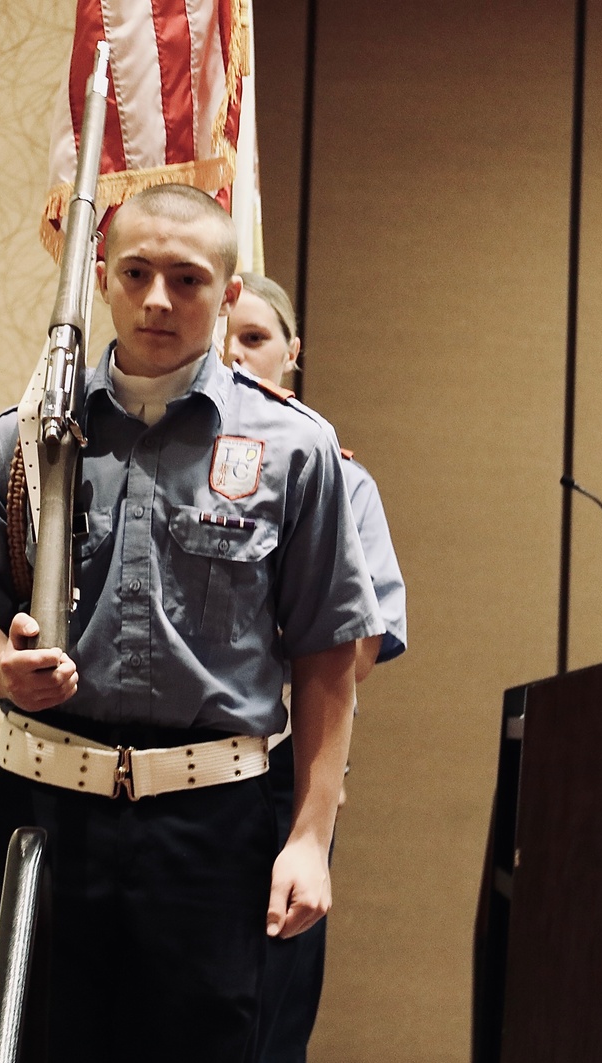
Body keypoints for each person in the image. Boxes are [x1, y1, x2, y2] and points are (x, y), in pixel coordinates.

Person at [0, 185, 384, 1063]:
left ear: (228, 291)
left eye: (187, 278)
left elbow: (329, 657)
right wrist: (2, 670)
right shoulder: (26, 438)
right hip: (44, 820)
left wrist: (310, 839)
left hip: (213, 838)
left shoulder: (296, 450)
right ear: (101, 277)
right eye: (136, 272)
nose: (157, 300)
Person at [226, 273, 407, 1063]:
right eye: (224, 335)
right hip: (169, 781)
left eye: (257, 337)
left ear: (292, 354)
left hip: (277, 781)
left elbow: (357, 650)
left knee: (268, 1025)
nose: (235, 351)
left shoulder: (339, 478)